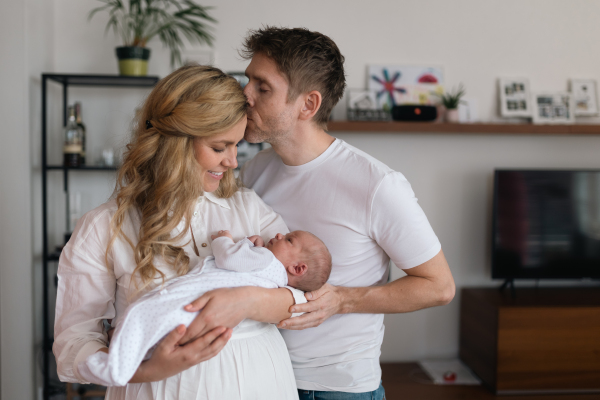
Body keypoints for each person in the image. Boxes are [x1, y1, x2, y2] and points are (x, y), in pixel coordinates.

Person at [53, 65, 306, 400]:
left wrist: (243, 301)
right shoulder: (104, 226)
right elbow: (73, 340)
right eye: (220, 147)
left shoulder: (248, 207)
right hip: (155, 389)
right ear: (176, 144)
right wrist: (148, 370)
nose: (232, 161)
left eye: (236, 146)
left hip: (262, 382)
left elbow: (302, 299)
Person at [238, 27, 456, 399]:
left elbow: (439, 287)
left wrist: (343, 299)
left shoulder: (377, 184)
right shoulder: (254, 170)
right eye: (248, 82)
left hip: (336, 390)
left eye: (262, 87)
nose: (245, 95)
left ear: (308, 105)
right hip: (260, 376)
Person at [80, 229, 332, 387]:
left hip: (190, 305)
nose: (278, 234)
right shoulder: (275, 276)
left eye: (288, 239)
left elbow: (229, 258)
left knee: (140, 316)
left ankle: (116, 368)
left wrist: (226, 240)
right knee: (147, 327)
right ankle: (124, 359)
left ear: (298, 269)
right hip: (203, 323)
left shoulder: (267, 259)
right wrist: (252, 247)